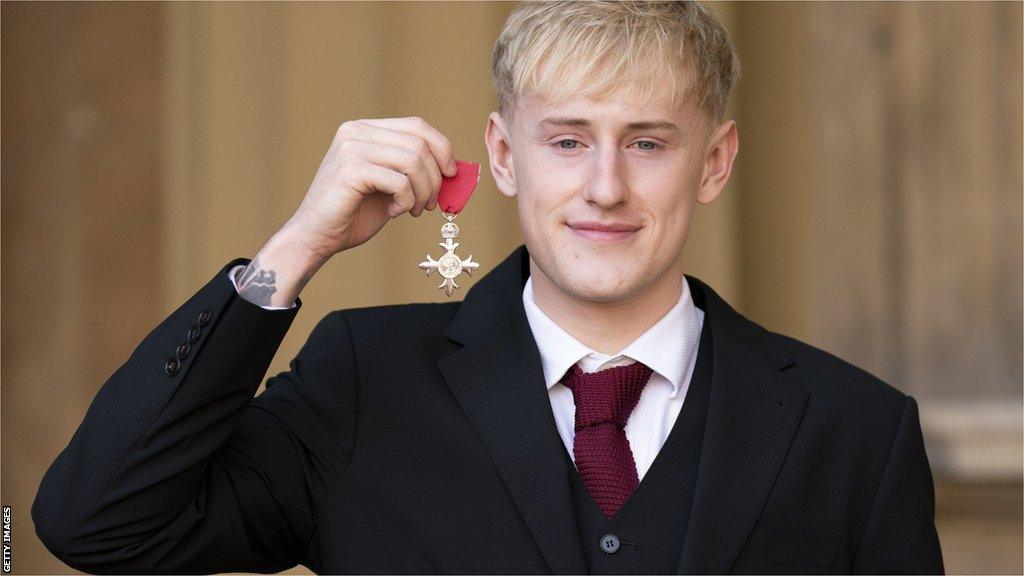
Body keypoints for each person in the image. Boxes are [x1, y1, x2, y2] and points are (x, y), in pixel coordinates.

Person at [32, 1, 944, 574]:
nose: (604, 187)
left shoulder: (854, 429)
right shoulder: (363, 381)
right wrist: (298, 245)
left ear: (715, 162)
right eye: (566, 140)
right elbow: (97, 524)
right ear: (504, 156)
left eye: (649, 142)